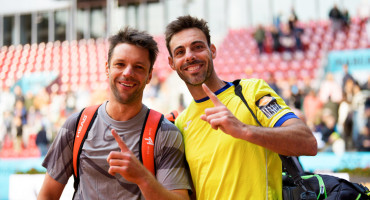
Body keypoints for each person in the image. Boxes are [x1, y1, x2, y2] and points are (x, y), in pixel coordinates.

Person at [165, 15, 318, 199]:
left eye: (197, 47)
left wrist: (244, 130)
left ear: (212, 51)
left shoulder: (251, 92)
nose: (189, 56)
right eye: (180, 52)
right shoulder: (181, 123)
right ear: (172, 63)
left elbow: (308, 143)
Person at [37, 27, 191, 200]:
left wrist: (143, 177)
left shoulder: (165, 133)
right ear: (107, 68)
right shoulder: (76, 125)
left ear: (149, 76)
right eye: (120, 64)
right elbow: (48, 195)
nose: (127, 73)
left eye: (139, 67)